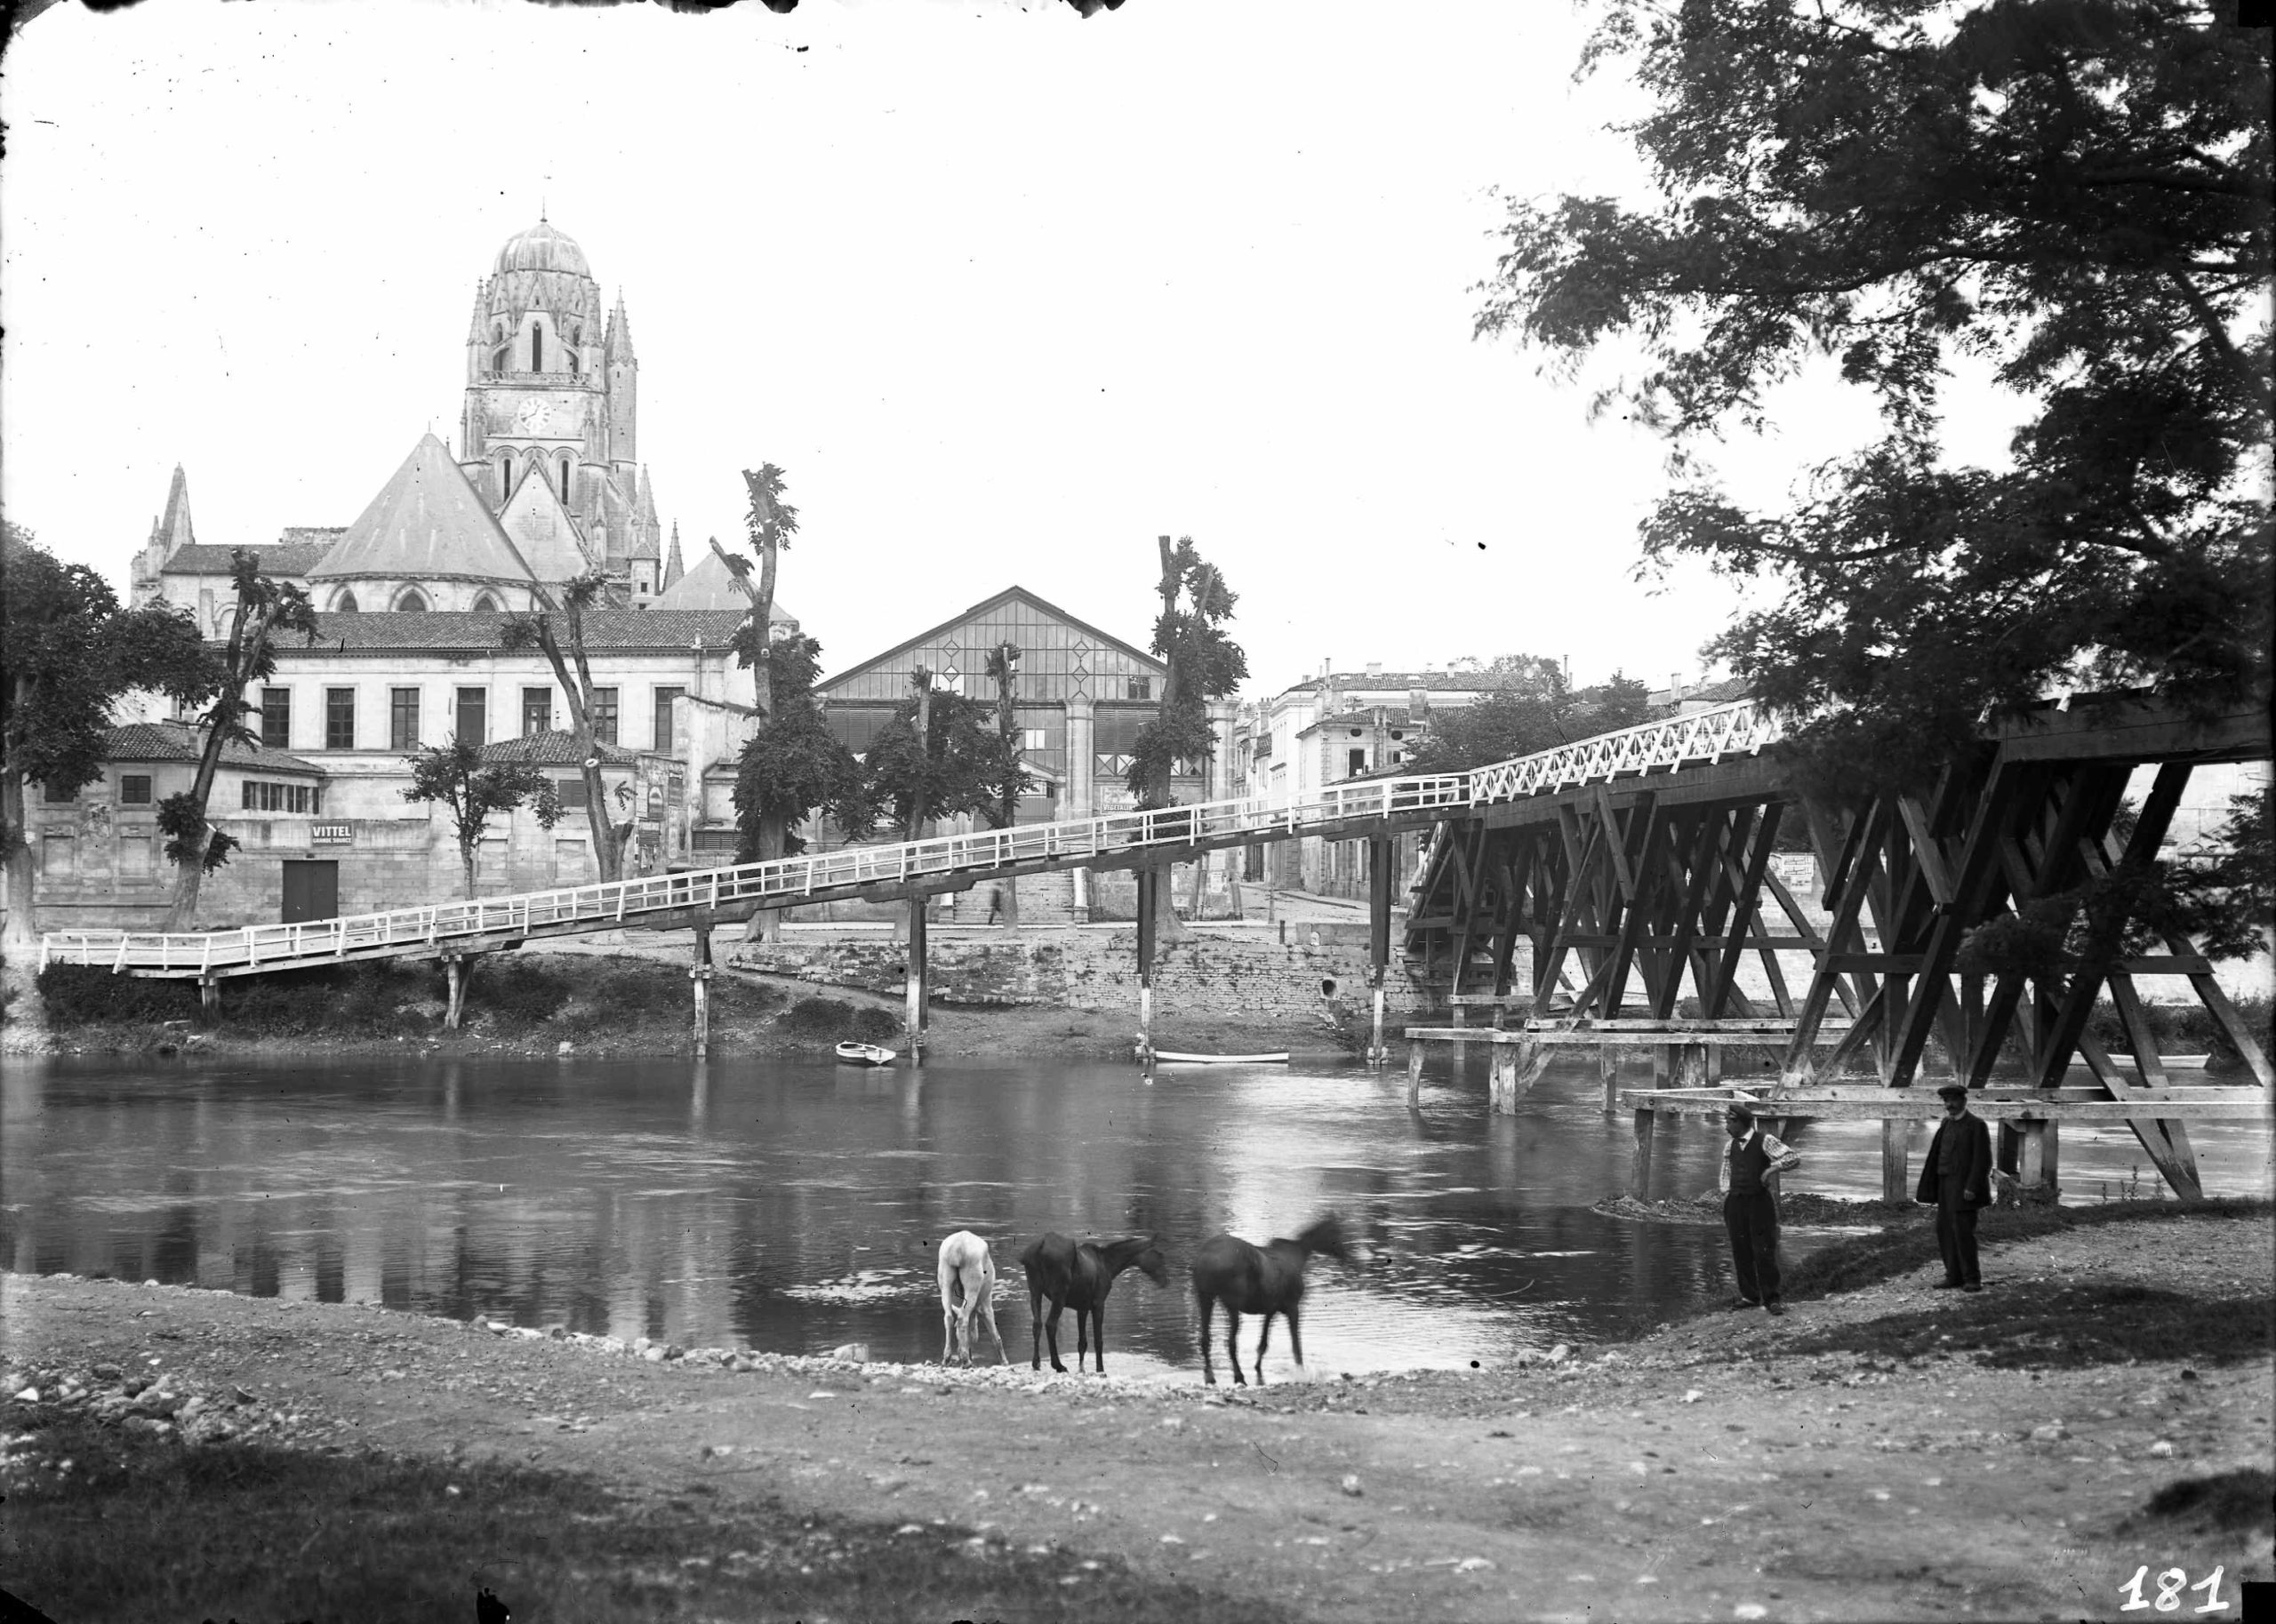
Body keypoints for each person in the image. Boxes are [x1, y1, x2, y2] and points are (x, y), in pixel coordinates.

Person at [1720, 1101, 1801, 1316]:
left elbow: (1793, 1158)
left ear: (1741, 1123)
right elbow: (1726, 1172)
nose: (1726, 1127)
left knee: (1764, 1250)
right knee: (1740, 1250)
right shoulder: (1730, 1145)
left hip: (1759, 1202)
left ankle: (1772, 1298)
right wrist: (1726, 1194)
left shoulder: (1765, 1140)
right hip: (1736, 1202)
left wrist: (1772, 1170)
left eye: (1729, 1122)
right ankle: (1750, 1296)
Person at [1917, 1083, 1993, 1292]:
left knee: (1963, 1233)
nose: (1949, 1105)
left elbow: (1983, 1160)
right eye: (1946, 1101)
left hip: (1964, 1188)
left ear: (1964, 1101)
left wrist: (1972, 1187)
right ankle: (1953, 1276)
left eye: (1953, 1100)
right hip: (1945, 1186)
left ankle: (1972, 1279)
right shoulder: (1946, 1123)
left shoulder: (1976, 1125)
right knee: (1945, 1231)